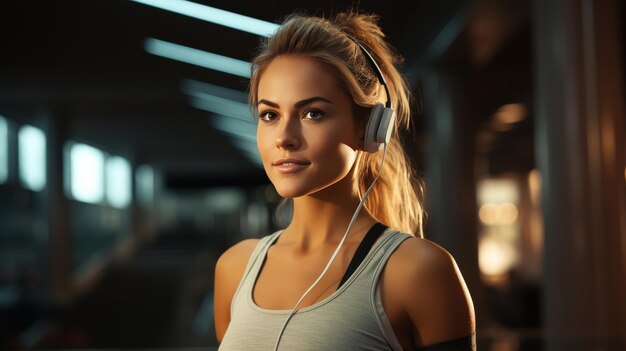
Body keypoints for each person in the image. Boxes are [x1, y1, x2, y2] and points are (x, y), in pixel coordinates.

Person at [214, 11, 476, 351]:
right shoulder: (234, 268)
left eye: (313, 113)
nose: (284, 137)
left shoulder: (416, 272)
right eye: (270, 115)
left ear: (369, 129)